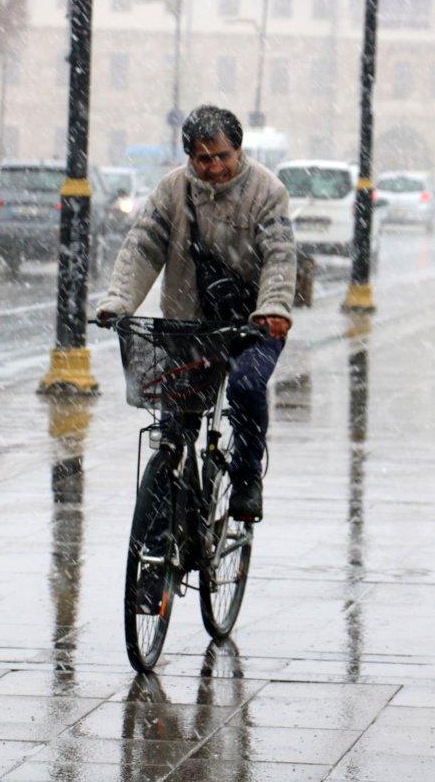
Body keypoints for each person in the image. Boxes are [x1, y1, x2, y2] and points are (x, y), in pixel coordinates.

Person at [95, 104, 295, 522]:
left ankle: (246, 478)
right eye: (203, 159)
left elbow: (279, 254)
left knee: (244, 387)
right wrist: (119, 302)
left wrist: (273, 307)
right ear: (189, 157)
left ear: (238, 150)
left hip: (253, 323)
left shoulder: (267, 191)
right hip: (190, 324)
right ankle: (166, 519)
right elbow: (143, 246)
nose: (214, 167)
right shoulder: (172, 190)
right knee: (176, 421)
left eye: (222, 156)